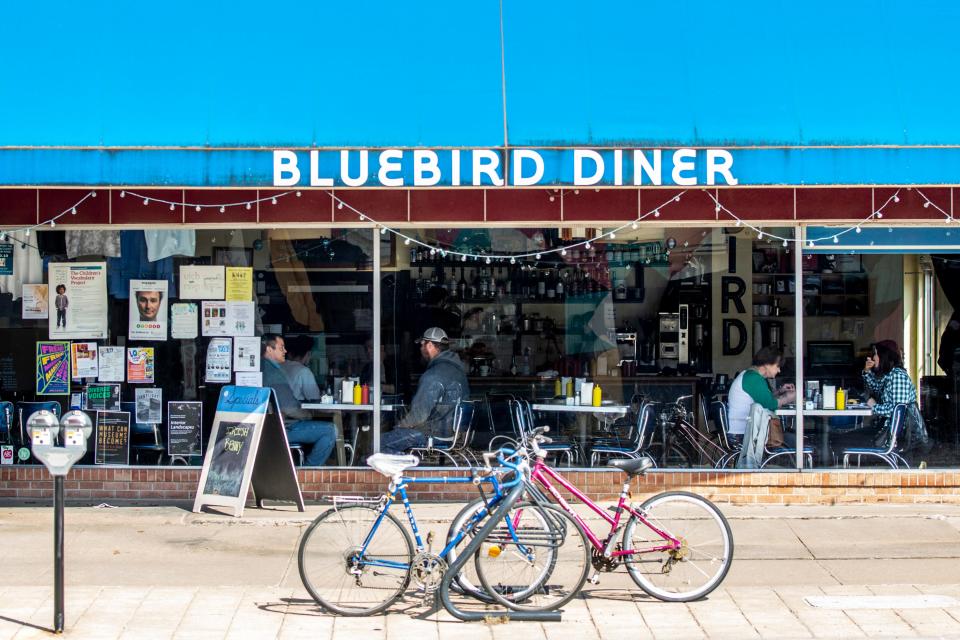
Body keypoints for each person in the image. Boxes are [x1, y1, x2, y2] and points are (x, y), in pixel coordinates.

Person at [381, 327, 470, 454]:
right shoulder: (459, 372)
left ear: (429, 345)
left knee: (380, 443)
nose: (420, 349)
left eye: (422, 345)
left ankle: (401, 469)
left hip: (433, 434)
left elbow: (418, 416)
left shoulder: (433, 375)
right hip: (452, 435)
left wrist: (399, 426)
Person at [261, 334, 336, 466]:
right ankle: (309, 471)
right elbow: (288, 407)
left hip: (269, 427)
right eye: (281, 348)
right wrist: (307, 415)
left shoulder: (265, 368)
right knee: (330, 430)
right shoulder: (275, 373)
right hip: (283, 428)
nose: (285, 351)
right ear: (269, 349)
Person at [726, 346, 797, 447]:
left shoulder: (750, 375)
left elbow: (762, 398)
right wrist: (789, 398)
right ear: (767, 364)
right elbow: (770, 404)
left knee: (789, 438)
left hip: (742, 431)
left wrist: (780, 391)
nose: (779, 370)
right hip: (742, 435)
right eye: (777, 366)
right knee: (793, 440)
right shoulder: (753, 379)